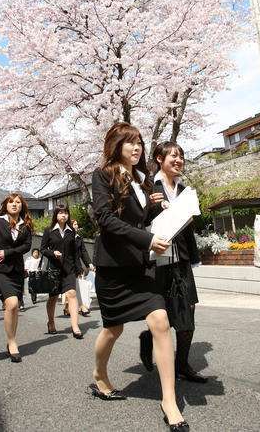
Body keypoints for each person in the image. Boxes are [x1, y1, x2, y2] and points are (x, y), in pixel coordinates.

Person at [90, 122, 188, 431]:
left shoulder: (142, 180)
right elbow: (105, 219)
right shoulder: (102, 176)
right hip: (113, 269)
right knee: (113, 329)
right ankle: (99, 374)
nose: (137, 148)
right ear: (116, 145)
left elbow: (138, 220)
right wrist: (147, 240)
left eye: (140, 143)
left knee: (160, 321)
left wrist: (153, 211)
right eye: (130, 143)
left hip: (140, 266)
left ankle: (169, 400)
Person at [138, 141, 207, 384]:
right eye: (173, 156)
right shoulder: (149, 187)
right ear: (159, 159)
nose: (178, 161)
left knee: (188, 311)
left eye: (181, 157)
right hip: (158, 260)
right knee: (163, 315)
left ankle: (182, 365)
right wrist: (150, 207)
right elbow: (138, 222)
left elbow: (188, 225)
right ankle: (148, 338)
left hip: (182, 259)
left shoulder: (184, 190)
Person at [0, 193, 34, 363]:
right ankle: (12, 342)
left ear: (22, 206)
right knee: (12, 304)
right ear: (6, 205)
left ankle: (11, 340)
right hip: (0, 270)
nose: (14, 204)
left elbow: (27, 246)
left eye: (18, 202)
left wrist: (8, 252)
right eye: (11, 202)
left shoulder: (26, 224)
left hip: (17, 270)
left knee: (14, 308)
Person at [40, 205, 83, 338]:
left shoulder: (72, 232)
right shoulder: (48, 231)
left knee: (72, 293)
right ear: (56, 215)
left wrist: (78, 267)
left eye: (65, 213)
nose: (63, 215)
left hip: (69, 268)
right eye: (60, 213)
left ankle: (75, 326)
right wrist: (53, 253)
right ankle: (51, 322)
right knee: (53, 297)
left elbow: (76, 252)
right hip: (54, 269)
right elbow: (42, 249)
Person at [74, 221, 94, 317]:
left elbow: (83, 252)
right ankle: (68, 307)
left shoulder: (79, 238)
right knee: (71, 288)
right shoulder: (66, 236)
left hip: (77, 265)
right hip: (66, 265)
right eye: (74, 224)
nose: (76, 226)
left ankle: (82, 306)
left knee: (78, 286)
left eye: (77, 224)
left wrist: (89, 264)